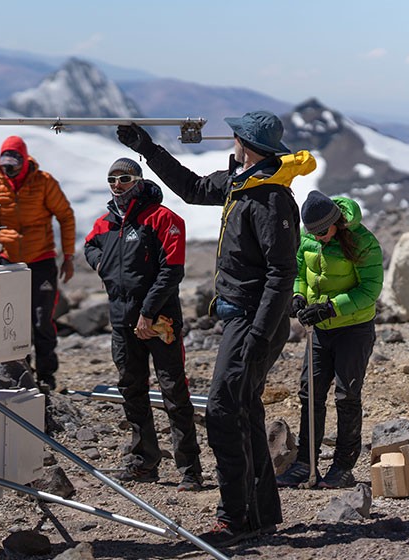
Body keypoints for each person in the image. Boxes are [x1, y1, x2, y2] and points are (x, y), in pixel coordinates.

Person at [118, 110, 316, 547]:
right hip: (244, 320)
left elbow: (281, 274)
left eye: (236, 135)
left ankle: (235, 518)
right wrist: (146, 149)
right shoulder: (243, 182)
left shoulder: (270, 197)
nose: (231, 140)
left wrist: (260, 335)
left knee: (225, 412)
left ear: (247, 142)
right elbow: (190, 188)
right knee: (243, 410)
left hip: (252, 322)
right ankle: (260, 513)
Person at [84, 158, 204, 491]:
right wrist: (101, 266)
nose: (118, 184)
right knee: (131, 390)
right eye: (112, 179)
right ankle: (144, 462)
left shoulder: (163, 219)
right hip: (122, 323)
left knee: (174, 392)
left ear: (138, 180)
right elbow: (90, 246)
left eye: (124, 178)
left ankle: (190, 469)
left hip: (160, 321)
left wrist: (148, 313)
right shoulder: (106, 224)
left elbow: (172, 271)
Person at [276, 191, 383, 489]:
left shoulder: (363, 242)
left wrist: (332, 307)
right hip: (320, 329)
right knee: (310, 393)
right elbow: (299, 269)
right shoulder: (309, 237)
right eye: (313, 233)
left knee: (347, 395)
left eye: (323, 231)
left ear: (336, 222)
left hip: (354, 329)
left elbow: (370, 290)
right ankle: (305, 463)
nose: (319, 237)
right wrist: (298, 295)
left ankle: (343, 466)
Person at [0, 135, 76, 391]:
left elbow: (65, 215)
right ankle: (20, 370)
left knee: (42, 319)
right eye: (4, 161)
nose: (8, 167)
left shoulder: (43, 182)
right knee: (11, 319)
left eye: (13, 161)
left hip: (42, 260)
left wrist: (69, 256)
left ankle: (46, 374)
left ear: (24, 159)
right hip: (9, 262)